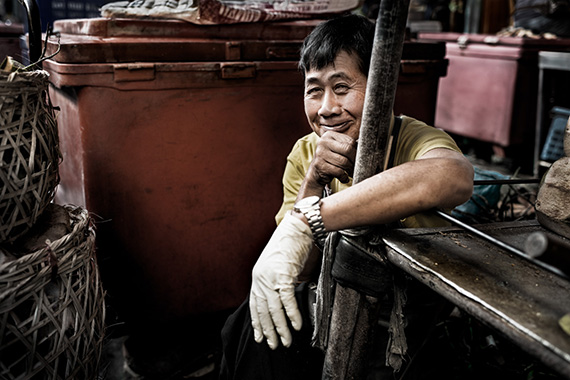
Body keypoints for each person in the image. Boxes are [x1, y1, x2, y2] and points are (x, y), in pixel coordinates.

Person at [219, 13, 474, 379]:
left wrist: (311, 218)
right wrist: (312, 183)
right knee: (249, 326)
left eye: (341, 88)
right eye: (313, 90)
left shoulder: (412, 138)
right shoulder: (306, 152)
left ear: (381, 86)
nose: (326, 108)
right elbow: (300, 272)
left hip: (400, 319)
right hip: (329, 306)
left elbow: (454, 176)